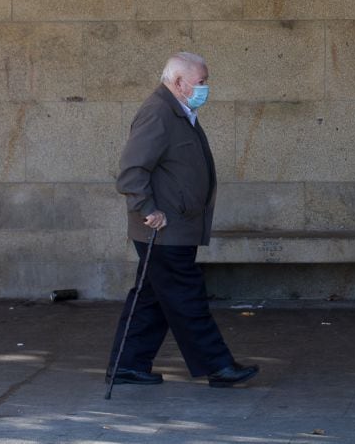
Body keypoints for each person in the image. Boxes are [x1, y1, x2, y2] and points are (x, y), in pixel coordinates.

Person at [106, 52, 258, 388]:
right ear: (179, 82)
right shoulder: (158, 113)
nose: (205, 88)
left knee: (153, 297)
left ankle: (127, 366)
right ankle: (218, 366)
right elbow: (131, 172)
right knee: (186, 296)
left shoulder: (178, 111)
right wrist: (148, 209)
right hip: (162, 230)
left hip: (176, 227)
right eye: (201, 82)